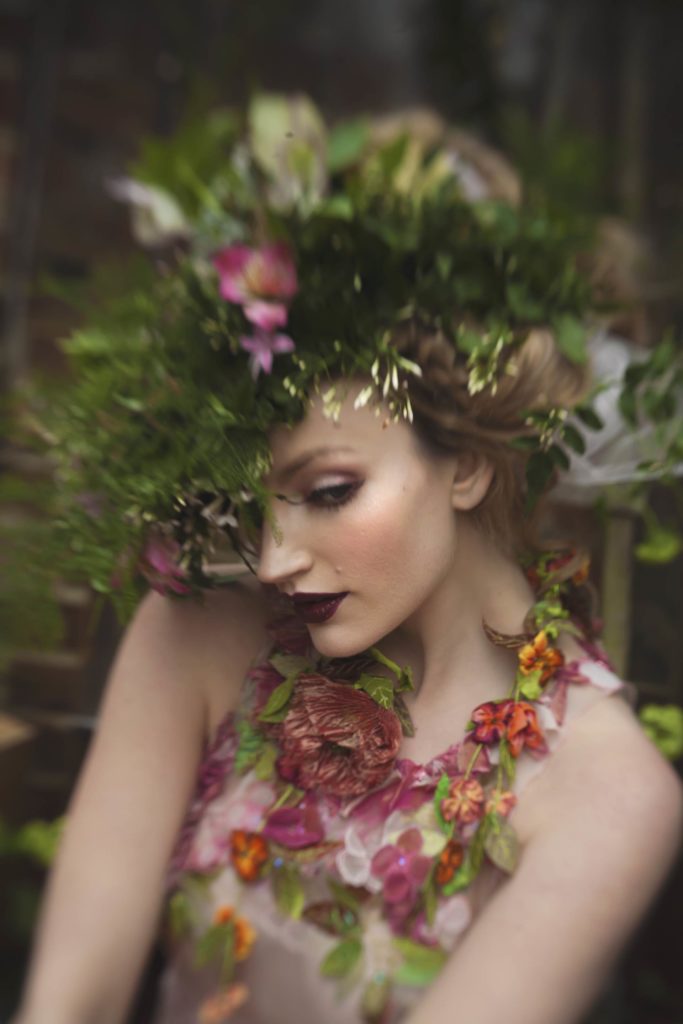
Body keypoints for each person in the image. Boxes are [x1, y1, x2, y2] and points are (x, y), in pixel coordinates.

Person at [13, 96, 683, 1024]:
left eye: (328, 492)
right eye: (253, 502)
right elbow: (68, 1003)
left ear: (470, 467)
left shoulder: (610, 796)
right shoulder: (198, 637)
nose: (274, 556)